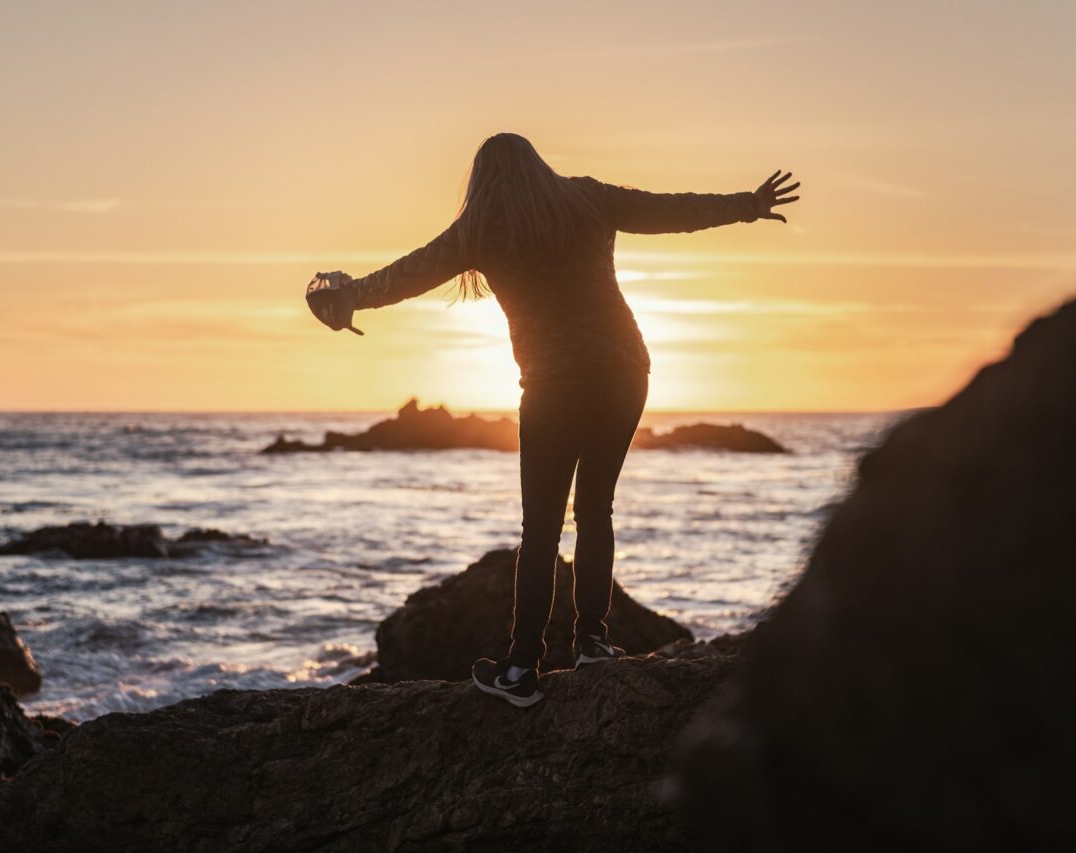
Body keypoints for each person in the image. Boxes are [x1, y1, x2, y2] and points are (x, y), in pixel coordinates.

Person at [308, 132, 800, 708]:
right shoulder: (587, 198)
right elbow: (668, 210)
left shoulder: (482, 228)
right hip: (625, 373)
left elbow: (406, 274)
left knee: (539, 531)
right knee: (596, 510)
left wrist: (345, 297)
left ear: (484, 181)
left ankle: (521, 671)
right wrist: (746, 204)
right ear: (538, 166)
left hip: (554, 387)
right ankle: (592, 640)